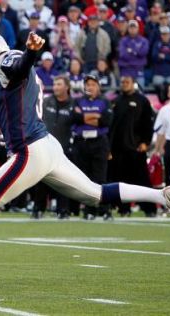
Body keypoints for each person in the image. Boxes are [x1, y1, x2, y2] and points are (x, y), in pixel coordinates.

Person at [0, 32, 170, 281]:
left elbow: (20, 67)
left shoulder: (5, 61)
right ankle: (160, 196)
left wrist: (32, 52)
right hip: (46, 145)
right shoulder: (7, 64)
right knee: (95, 194)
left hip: (29, 151)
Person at [109, 76, 157, 217]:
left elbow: (148, 124)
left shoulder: (142, 101)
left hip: (136, 149)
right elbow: (111, 127)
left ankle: (150, 209)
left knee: (142, 181)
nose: (124, 85)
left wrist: (145, 142)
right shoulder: (116, 101)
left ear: (133, 84)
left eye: (127, 82)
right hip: (118, 149)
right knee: (120, 182)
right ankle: (123, 209)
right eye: (122, 82)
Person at [71, 74, 113, 220]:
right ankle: (89, 210)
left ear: (98, 87)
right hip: (82, 141)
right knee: (85, 179)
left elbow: (106, 121)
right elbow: (74, 118)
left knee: (100, 178)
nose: (90, 87)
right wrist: (95, 117)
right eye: (88, 84)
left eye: (93, 84)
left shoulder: (105, 102)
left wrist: (84, 117)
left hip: (99, 141)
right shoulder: (77, 101)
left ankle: (105, 210)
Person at [33, 75, 74, 219]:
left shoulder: (73, 105)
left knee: (64, 180)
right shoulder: (46, 102)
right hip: (45, 146)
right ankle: (38, 209)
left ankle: (63, 210)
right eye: (55, 84)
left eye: (59, 84)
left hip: (65, 148)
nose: (55, 87)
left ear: (66, 87)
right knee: (42, 180)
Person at [118, 19, 149, 88]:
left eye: (134, 27)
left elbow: (143, 53)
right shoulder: (123, 40)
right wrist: (136, 53)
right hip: (126, 70)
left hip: (138, 70)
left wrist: (131, 51)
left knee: (140, 92)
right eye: (130, 27)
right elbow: (123, 55)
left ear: (137, 29)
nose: (132, 29)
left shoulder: (143, 41)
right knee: (125, 92)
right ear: (128, 29)